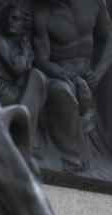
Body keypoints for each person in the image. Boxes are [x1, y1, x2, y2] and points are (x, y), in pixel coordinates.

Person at [32, 0, 112, 172]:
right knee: (60, 90)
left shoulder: (96, 3)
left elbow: (109, 41)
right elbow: (41, 60)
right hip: (57, 80)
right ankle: (74, 155)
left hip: (87, 87)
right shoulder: (42, 13)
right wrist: (69, 76)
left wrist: (97, 75)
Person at [0, 3, 46, 154]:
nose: (9, 21)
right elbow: (17, 69)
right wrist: (27, 52)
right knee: (37, 78)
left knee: (40, 88)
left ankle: (22, 137)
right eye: (7, 18)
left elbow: (23, 80)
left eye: (15, 19)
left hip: (8, 91)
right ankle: (24, 140)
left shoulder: (18, 48)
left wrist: (27, 58)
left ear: (24, 26)